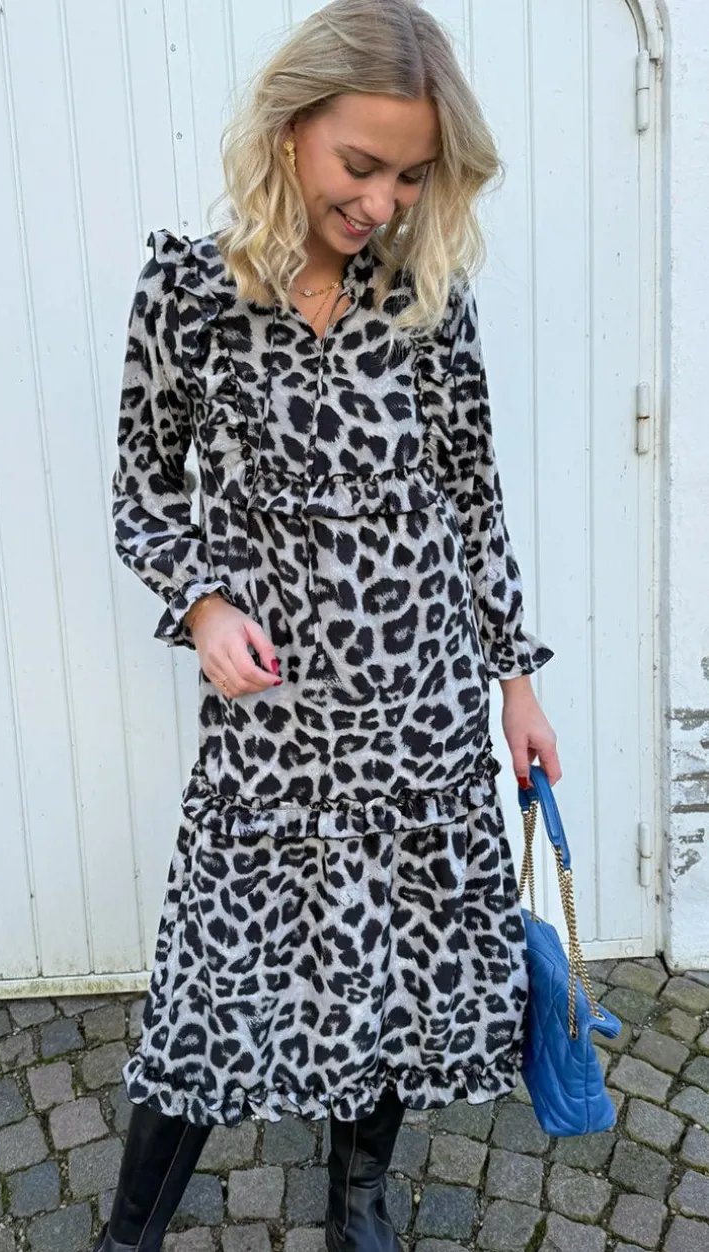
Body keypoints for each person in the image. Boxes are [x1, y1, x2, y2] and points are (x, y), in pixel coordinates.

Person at [94, 1, 561, 1248]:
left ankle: (355, 1194)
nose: (383, 201)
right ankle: (128, 1235)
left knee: (394, 965)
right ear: (289, 126)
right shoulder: (187, 291)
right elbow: (142, 491)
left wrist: (514, 682)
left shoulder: (424, 298)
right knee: (210, 983)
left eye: (409, 176)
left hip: (418, 705)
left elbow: (471, 495)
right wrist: (201, 603)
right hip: (274, 720)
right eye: (361, 164)